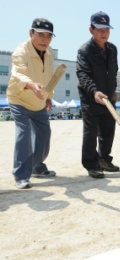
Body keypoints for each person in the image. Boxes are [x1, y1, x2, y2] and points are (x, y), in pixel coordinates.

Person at [6, 18, 57, 189]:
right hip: (19, 98)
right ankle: (20, 175)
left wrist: (48, 96)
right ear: (30, 33)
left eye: (49, 36)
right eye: (40, 35)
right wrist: (31, 84)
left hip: (39, 100)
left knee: (44, 133)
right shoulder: (21, 52)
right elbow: (18, 73)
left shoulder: (49, 52)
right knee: (25, 132)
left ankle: (37, 166)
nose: (45, 40)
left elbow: (49, 76)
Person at [77, 11, 120, 179]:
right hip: (91, 98)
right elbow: (83, 75)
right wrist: (94, 92)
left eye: (107, 29)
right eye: (100, 29)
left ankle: (104, 160)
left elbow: (113, 73)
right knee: (91, 133)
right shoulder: (84, 51)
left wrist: (113, 90)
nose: (104, 32)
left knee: (108, 131)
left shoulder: (113, 49)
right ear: (91, 30)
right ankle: (91, 164)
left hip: (108, 98)